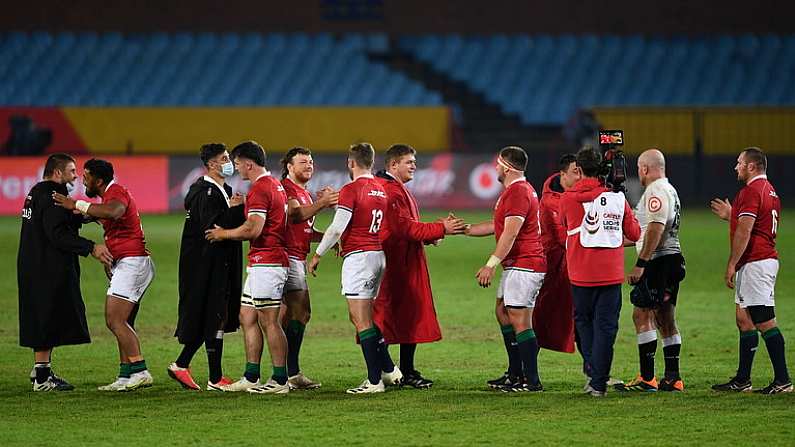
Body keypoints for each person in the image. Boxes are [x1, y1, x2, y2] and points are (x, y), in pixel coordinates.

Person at [54, 158, 156, 392]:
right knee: (124, 321)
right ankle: (125, 375)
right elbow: (94, 215)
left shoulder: (116, 193)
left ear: (99, 181)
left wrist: (76, 204)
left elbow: (114, 212)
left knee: (114, 320)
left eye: (87, 176)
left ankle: (140, 371)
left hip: (134, 264)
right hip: (128, 263)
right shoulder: (106, 197)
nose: (83, 179)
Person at [308, 142, 402, 394]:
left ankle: (373, 381)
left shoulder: (351, 189)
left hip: (360, 258)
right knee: (362, 316)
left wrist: (317, 254)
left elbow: (338, 226)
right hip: (376, 255)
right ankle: (390, 370)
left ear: (351, 163)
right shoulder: (380, 189)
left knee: (361, 319)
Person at [374, 144, 466, 388]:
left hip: (404, 260)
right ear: (393, 165)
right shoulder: (390, 192)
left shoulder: (396, 188)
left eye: (414, 161)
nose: (414, 165)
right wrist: (440, 228)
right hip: (395, 265)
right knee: (388, 317)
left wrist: (430, 234)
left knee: (405, 316)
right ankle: (383, 370)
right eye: (409, 162)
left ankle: (405, 370)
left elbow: (408, 227)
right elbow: (403, 229)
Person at [18, 153, 112, 391]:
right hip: (47, 267)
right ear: (57, 172)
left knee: (43, 315)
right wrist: (91, 247)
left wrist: (86, 217)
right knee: (47, 315)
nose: (76, 175)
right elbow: (57, 234)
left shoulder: (37, 192)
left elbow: (53, 223)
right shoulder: (52, 196)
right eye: (71, 171)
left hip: (34, 263)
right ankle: (42, 379)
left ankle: (41, 369)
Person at [205, 141, 291, 394]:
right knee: (247, 317)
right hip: (261, 263)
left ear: (249, 163)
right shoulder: (273, 184)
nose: (236, 167)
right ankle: (251, 376)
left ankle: (279, 380)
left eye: (238, 162)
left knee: (269, 321)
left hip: (268, 262)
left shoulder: (261, 188)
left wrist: (223, 234)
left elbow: (254, 228)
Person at [559, 147, 640, 397]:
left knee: (583, 323)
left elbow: (564, 224)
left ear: (579, 170)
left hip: (581, 272)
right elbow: (635, 234)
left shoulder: (568, 199)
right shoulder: (617, 198)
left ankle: (594, 375)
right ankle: (598, 382)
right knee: (606, 327)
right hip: (610, 273)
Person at [710, 147, 791, 394]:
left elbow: (746, 231)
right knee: (744, 320)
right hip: (758, 261)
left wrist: (732, 263)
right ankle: (743, 379)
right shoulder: (770, 191)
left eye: (739, 163)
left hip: (757, 262)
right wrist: (731, 215)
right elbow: (757, 223)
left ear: (751, 166)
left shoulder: (750, 192)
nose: (736, 167)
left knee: (765, 321)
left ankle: (783, 380)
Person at [466, 146, 547, 392]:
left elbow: (510, 233)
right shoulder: (515, 191)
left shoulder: (518, 192)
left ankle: (531, 381)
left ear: (507, 168)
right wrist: (465, 229)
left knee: (520, 320)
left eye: (498, 163)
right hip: (519, 264)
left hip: (526, 264)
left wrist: (490, 265)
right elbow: (498, 225)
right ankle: (515, 373)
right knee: (503, 312)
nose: (495, 167)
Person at [168, 143, 246, 391]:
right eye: (224, 158)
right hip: (204, 264)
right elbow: (212, 230)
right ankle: (189, 368)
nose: (229, 162)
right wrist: (235, 211)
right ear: (211, 164)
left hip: (220, 261)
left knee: (218, 316)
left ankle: (211, 375)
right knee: (213, 315)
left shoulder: (224, 189)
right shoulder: (205, 192)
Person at [617, 149, 686, 392]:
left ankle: (647, 378)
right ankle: (673, 378)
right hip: (672, 259)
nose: (639, 173)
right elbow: (642, 232)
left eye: (639, 168)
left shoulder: (656, 191)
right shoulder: (670, 190)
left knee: (641, 315)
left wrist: (641, 263)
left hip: (658, 262)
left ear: (645, 168)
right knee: (665, 317)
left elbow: (655, 229)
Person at [279, 146, 339, 389]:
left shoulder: (303, 193)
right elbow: (294, 216)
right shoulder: (286, 188)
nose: (309, 165)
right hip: (286, 258)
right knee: (298, 313)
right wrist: (323, 203)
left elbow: (303, 229)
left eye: (311, 161)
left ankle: (287, 372)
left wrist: (326, 239)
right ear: (290, 167)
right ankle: (287, 372)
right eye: (303, 162)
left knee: (293, 314)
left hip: (295, 257)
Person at [535, 154, 579, 355]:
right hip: (553, 269)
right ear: (563, 174)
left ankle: (596, 374)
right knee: (538, 319)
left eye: (581, 171)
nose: (580, 176)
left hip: (573, 268)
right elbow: (565, 240)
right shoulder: (551, 202)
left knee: (583, 321)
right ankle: (524, 373)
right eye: (575, 172)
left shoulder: (579, 196)